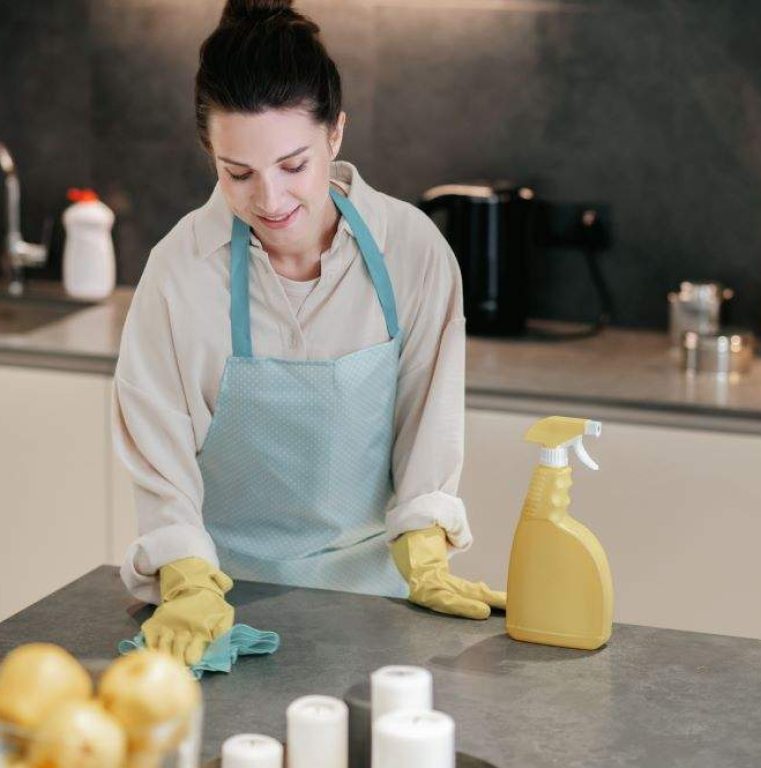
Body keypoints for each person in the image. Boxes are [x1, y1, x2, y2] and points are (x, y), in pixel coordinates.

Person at [113, 0, 505, 666]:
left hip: (377, 607)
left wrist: (426, 547)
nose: (269, 201)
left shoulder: (411, 251)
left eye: (293, 165)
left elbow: (428, 424)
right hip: (218, 606)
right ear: (211, 153)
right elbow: (160, 459)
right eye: (237, 173)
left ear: (335, 136)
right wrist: (183, 577)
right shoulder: (180, 272)